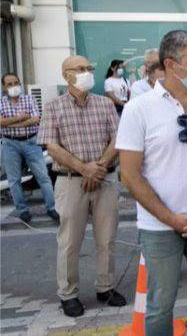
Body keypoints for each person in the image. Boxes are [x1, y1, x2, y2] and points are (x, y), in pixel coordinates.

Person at [116, 30, 187, 334]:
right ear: (170, 64)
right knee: (159, 306)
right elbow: (129, 173)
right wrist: (171, 219)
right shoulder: (138, 109)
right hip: (159, 227)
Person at [37, 55, 126, 317]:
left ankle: (105, 286)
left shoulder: (104, 104)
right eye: (81, 69)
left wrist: (97, 166)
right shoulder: (53, 107)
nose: (87, 72)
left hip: (104, 179)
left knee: (107, 238)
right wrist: (83, 167)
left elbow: (117, 137)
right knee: (69, 242)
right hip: (70, 182)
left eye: (89, 68)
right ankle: (68, 293)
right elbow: (50, 145)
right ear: (66, 75)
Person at [1, 73, 58, 223]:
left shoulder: (29, 99)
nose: (14, 86)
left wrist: (10, 123)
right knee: (14, 180)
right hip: (10, 144)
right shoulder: (1, 102)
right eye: (9, 84)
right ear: (4, 87)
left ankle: (52, 208)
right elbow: (1, 122)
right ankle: (22, 210)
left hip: (31, 142)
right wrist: (21, 118)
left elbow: (35, 119)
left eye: (16, 82)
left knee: (43, 177)